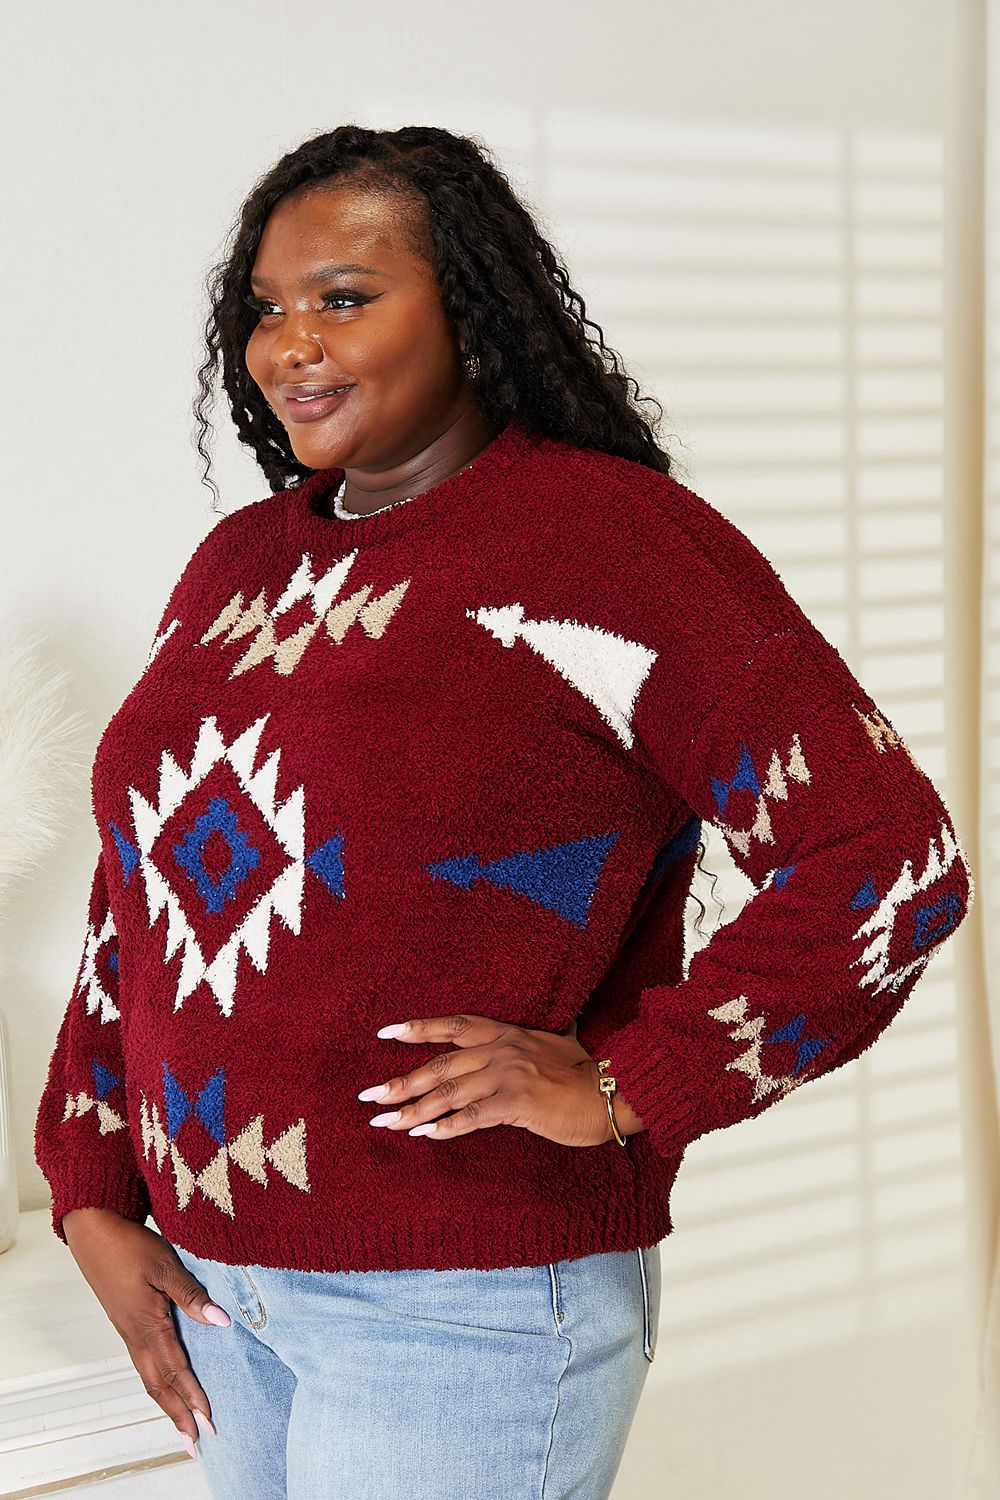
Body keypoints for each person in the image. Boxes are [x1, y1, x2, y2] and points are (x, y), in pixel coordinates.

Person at [33, 124, 973, 1500]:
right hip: (217, 1294)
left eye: (345, 298)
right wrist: (90, 1187)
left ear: (469, 309)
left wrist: (627, 1084)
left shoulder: (612, 546)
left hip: (461, 1309)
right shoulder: (237, 567)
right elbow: (139, 890)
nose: (291, 344)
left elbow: (887, 858)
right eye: (265, 309)